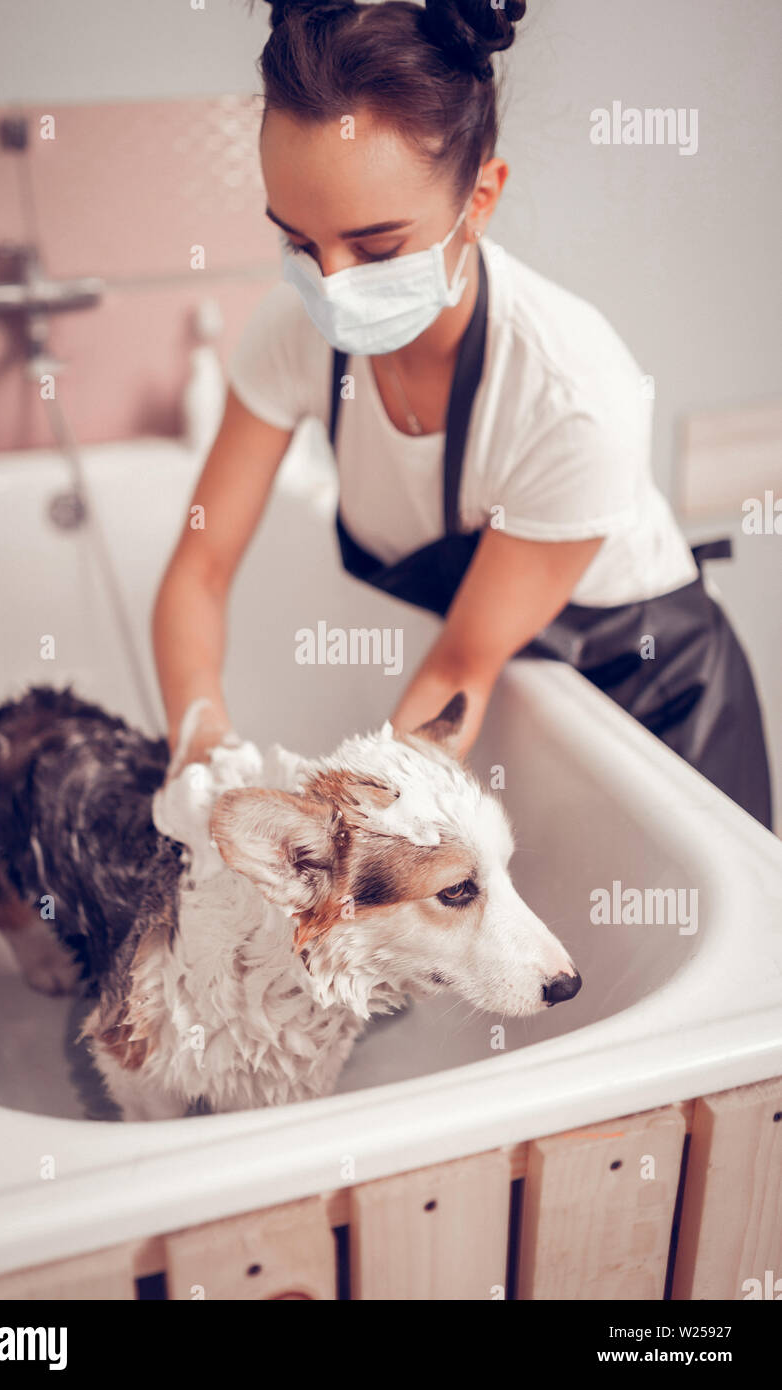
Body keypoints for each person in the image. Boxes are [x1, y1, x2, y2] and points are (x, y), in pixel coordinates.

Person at [153, 0, 773, 829]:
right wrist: (201, 741)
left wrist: (342, 846)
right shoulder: (291, 336)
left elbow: (457, 670)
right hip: (511, 686)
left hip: (655, 712)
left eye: (375, 250)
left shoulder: (573, 397)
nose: (329, 285)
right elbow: (199, 569)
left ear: (480, 199)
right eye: (299, 243)